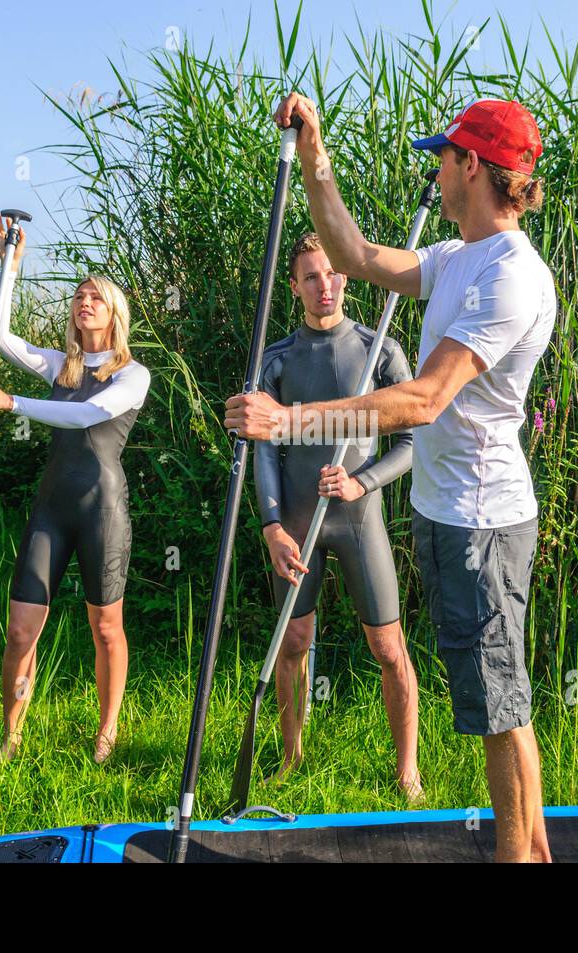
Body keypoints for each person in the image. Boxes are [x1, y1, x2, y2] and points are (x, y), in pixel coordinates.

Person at [225, 96, 557, 862]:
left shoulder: (511, 276)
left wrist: (292, 420)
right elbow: (354, 253)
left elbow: (421, 398)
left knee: (498, 707)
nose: (436, 169)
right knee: (499, 700)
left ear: (472, 165)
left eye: (444, 156)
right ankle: (532, 851)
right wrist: (315, 155)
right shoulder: (455, 255)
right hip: (444, 514)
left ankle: (516, 855)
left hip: (483, 522)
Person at [0, 215, 150, 764]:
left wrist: (12, 404)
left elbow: (91, 415)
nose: (83, 302)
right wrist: (11, 266)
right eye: (78, 296)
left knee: (105, 625)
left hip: (102, 512)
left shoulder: (131, 374)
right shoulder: (62, 367)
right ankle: (11, 733)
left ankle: (107, 731)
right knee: (21, 630)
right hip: (51, 510)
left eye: (95, 296)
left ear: (113, 312)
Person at [255, 231, 422, 799]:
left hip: (357, 520)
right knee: (294, 641)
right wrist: (272, 526)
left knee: (388, 648)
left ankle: (408, 771)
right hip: (297, 525)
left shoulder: (381, 351)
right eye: (310, 276)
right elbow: (264, 449)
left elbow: (414, 444)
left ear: (345, 276)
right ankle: (291, 759)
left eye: (331, 272)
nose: (323, 285)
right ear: (296, 285)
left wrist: (360, 481)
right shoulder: (276, 359)